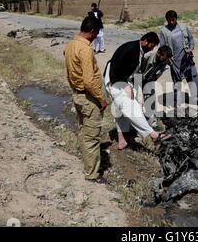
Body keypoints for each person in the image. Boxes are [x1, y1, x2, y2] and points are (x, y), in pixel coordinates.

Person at [104, 32, 171, 150]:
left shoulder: (139, 50)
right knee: (129, 105)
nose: (152, 49)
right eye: (152, 46)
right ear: (145, 41)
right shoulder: (130, 49)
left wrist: (134, 89)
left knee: (121, 111)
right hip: (114, 80)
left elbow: (136, 73)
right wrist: (124, 85)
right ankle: (154, 135)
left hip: (124, 80)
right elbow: (115, 67)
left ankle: (122, 140)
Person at [64, 16, 109, 184]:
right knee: (91, 136)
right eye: (96, 34)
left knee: (83, 131)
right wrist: (101, 99)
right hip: (89, 98)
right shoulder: (85, 49)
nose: (96, 37)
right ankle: (92, 174)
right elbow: (89, 81)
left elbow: (69, 72)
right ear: (92, 31)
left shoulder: (70, 45)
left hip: (78, 94)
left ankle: (87, 162)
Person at [159, 10, 198, 108]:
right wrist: (168, 60)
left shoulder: (183, 27)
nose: (171, 22)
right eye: (169, 21)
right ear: (166, 20)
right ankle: (178, 104)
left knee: (193, 79)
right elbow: (163, 48)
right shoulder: (164, 31)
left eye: (173, 20)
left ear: (176, 19)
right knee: (177, 83)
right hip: (175, 62)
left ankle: (196, 99)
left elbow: (191, 40)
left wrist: (190, 49)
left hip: (187, 60)